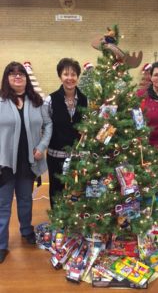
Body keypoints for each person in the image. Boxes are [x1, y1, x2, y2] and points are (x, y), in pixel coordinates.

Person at [0, 61, 52, 263]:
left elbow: (48, 125)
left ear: (26, 78)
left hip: (28, 163)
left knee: (25, 200)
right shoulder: (1, 101)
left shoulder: (36, 101)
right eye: (12, 74)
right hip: (5, 164)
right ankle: (2, 245)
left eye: (21, 73)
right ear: (7, 79)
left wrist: (41, 147)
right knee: (3, 205)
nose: (17, 77)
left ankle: (26, 230)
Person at [45, 58, 88, 208]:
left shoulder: (85, 100)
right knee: (56, 189)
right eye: (66, 74)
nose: (70, 78)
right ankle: (57, 221)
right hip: (55, 154)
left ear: (77, 76)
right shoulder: (50, 100)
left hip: (78, 156)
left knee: (76, 190)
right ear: (60, 76)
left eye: (73, 74)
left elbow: (88, 126)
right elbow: (45, 126)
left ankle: (75, 222)